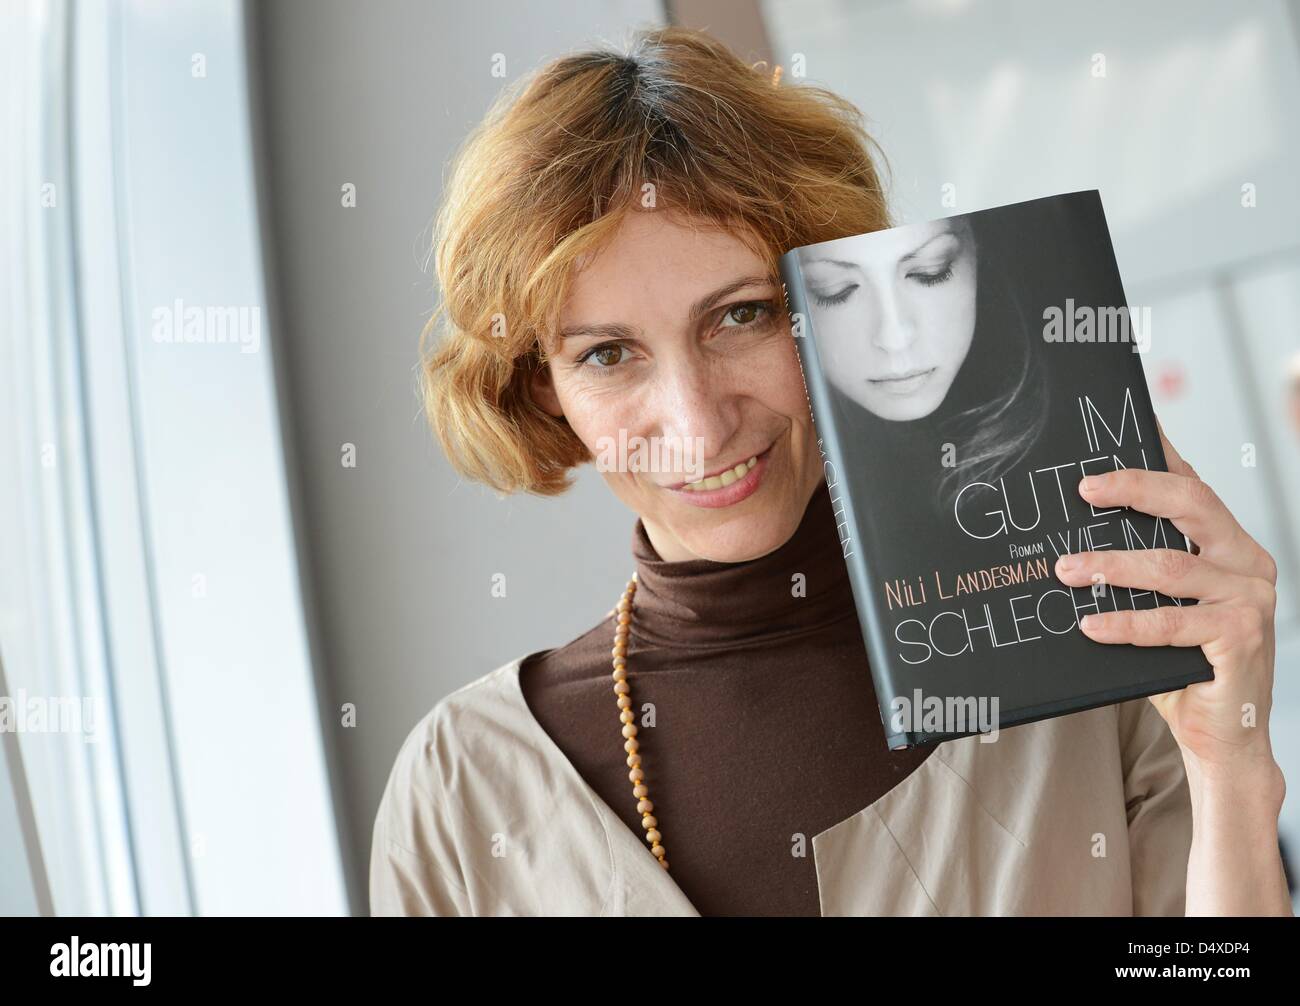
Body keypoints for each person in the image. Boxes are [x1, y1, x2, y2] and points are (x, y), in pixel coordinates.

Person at [368, 25, 1289, 916]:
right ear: (543, 392)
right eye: (608, 354)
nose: (697, 423)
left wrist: (1232, 770)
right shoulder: (463, 788)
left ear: (834, 303)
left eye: (740, 316)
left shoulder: (1087, 647)